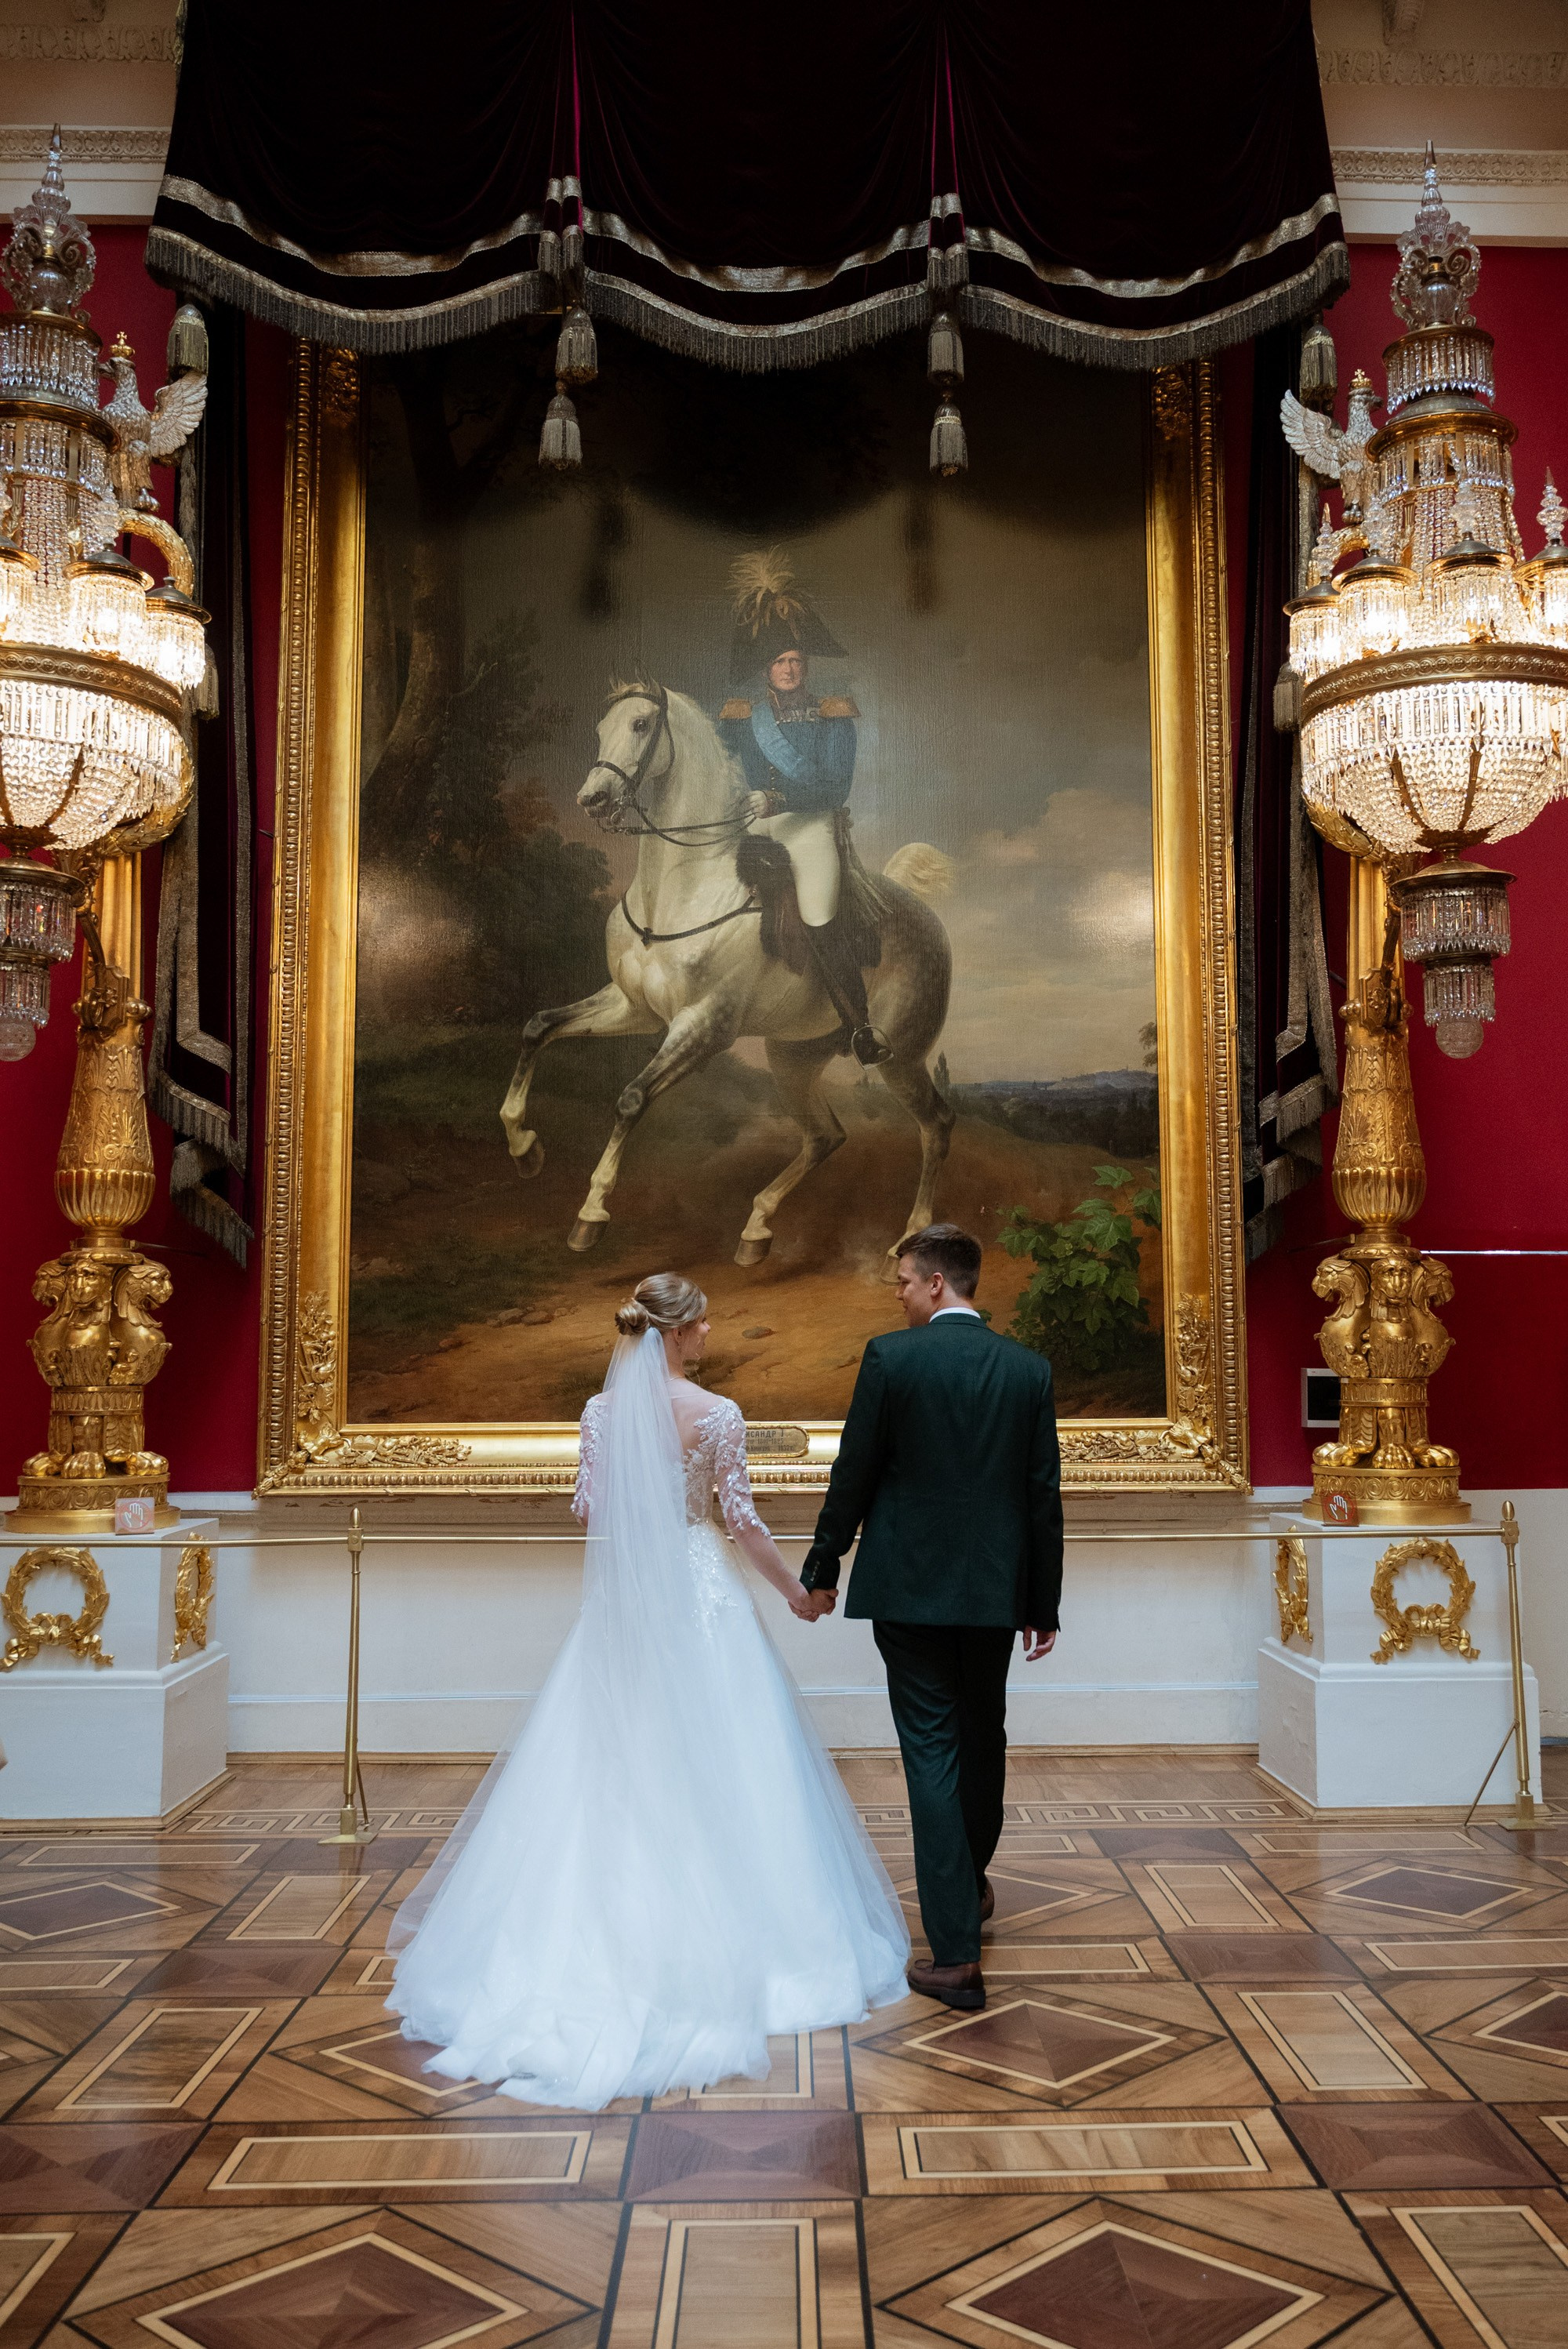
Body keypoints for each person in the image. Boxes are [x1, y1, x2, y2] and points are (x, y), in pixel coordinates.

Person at [386, 1272, 909, 2110]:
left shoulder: (601, 1413)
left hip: (627, 1604)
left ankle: (588, 1945)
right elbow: (740, 1521)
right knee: (732, 1755)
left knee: (608, 1758)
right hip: (701, 1592)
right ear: (680, 1329)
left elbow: (590, 1510)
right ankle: (753, 1947)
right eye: (703, 1323)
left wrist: (642, 1532)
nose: (710, 1333)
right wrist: (796, 1593)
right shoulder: (719, 1414)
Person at [798, 1223, 1063, 2013]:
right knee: (983, 1736)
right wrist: (1042, 1602)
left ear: (938, 1282)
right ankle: (968, 1887)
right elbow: (1041, 1496)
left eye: (905, 1282)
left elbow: (854, 1471)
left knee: (931, 1751)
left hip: (909, 1588)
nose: (900, 1295)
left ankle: (954, 1955)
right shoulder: (1027, 1368)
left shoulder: (891, 1358)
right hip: (994, 1591)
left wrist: (822, 1565)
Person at [719, 548, 891, 1066]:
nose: (790, 669)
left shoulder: (833, 714)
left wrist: (779, 799)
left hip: (810, 828)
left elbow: (836, 790)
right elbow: (720, 769)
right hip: (754, 827)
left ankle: (859, 1027)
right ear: (766, 669)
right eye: (780, 662)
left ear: (806, 666)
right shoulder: (740, 717)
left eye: (796, 661)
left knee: (819, 915)